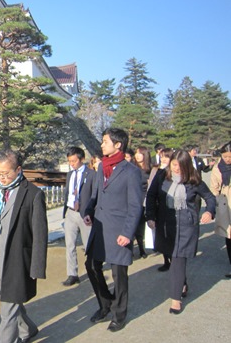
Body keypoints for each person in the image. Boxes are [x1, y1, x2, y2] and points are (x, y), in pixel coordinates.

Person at [0, 149, 47, 343]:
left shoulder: (33, 194)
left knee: (7, 310)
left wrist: (37, 267)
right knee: (9, 297)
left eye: (6, 173)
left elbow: (40, 234)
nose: (2, 177)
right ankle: (28, 329)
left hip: (17, 259)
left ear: (18, 169)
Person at [83, 128, 143, 332]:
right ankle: (105, 303)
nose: (102, 144)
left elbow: (135, 206)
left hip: (119, 230)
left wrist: (128, 233)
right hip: (99, 227)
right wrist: (89, 210)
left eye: (105, 141)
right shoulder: (101, 168)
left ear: (118, 145)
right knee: (91, 265)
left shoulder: (131, 172)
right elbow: (97, 193)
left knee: (119, 275)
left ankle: (119, 314)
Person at [146, 149, 216, 314]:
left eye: (179, 165)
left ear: (186, 165)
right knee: (173, 256)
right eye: (173, 164)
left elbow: (210, 198)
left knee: (178, 260)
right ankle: (182, 283)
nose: (176, 169)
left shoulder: (193, 180)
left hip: (186, 226)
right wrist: (150, 216)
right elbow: (151, 196)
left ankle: (175, 299)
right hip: (166, 225)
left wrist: (209, 211)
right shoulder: (162, 175)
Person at [62, 147, 95, 286]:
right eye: (70, 161)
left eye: (74, 161)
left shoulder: (91, 174)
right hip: (70, 212)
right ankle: (72, 273)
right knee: (70, 244)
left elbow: (94, 195)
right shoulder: (69, 175)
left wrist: (90, 212)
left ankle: (92, 269)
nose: (72, 164)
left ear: (81, 159)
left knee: (88, 245)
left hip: (84, 213)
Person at [209, 141, 231, 278]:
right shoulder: (217, 168)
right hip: (225, 204)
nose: (228, 159)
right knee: (229, 236)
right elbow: (213, 188)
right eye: (225, 157)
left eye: (230, 156)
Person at [151, 148, 174, 271]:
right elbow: (151, 193)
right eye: (162, 156)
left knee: (171, 239)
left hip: (174, 211)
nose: (163, 159)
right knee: (162, 238)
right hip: (161, 210)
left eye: (166, 156)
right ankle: (166, 261)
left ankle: (174, 262)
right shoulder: (158, 172)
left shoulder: (176, 172)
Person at [132, 146, 152, 259]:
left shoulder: (151, 169)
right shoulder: (132, 168)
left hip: (148, 199)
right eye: (136, 153)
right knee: (138, 226)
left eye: (140, 153)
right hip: (137, 200)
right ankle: (141, 249)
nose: (137, 155)